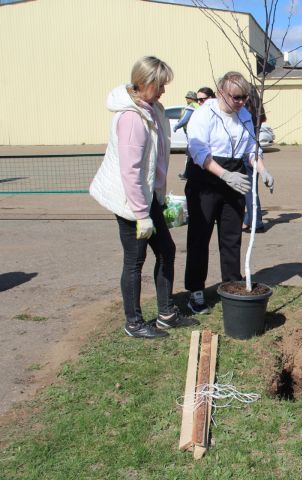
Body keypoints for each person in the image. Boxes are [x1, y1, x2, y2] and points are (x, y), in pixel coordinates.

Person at [90, 56, 198, 339]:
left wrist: (159, 198)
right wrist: (141, 214)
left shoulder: (153, 109)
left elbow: (156, 160)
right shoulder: (131, 118)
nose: (164, 91)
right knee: (135, 260)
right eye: (161, 85)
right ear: (146, 83)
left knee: (166, 251)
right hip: (129, 199)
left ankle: (166, 314)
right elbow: (131, 171)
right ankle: (134, 322)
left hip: (146, 194)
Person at [184, 71, 275, 314]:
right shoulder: (204, 114)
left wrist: (262, 169)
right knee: (199, 238)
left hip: (234, 181)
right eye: (236, 97)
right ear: (222, 92)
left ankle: (231, 286)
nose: (241, 102)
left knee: (231, 238)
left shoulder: (244, 115)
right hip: (205, 179)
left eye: (245, 97)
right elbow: (198, 150)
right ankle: (195, 291)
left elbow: (251, 149)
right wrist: (224, 174)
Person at [242, 86, 267, 233]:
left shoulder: (245, 112)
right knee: (251, 190)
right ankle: (247, 221)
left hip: (248, 152)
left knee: (249, 191)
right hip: (256, 149)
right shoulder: (258, 110)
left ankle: (256, 222)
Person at [178, 87, 215, 180]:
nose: (198, 102)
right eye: (197, 99)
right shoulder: (198, 112)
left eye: (201, 100)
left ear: (210, 98)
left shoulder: (216, 113)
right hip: (198, 151)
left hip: (211, 157)